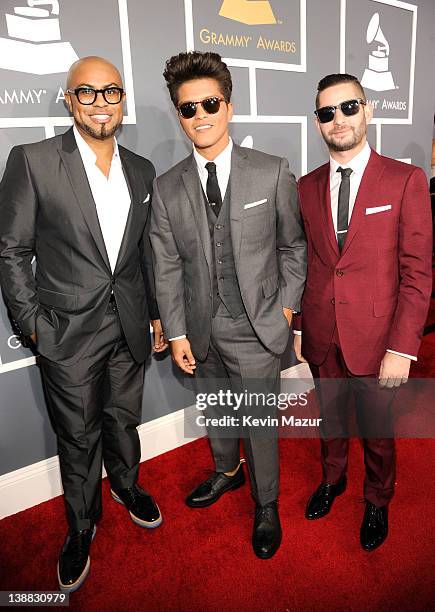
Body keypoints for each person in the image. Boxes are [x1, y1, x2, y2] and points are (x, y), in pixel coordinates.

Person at [0, 56, 167, 592]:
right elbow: (11, 250)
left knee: (123, 418)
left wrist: (158, 313)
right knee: (77, 435)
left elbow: (145, 253)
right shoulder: (33, 160)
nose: (101, 102)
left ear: (123, 100)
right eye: (87, 93)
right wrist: (32, 325)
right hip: (65, 333)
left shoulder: (142, 169)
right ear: (69, 101)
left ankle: (126, 485)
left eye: (111, 92)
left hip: (130, 327)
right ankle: (80, 526)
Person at [150, 51, 306, 559]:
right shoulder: (167, 185)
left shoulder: (271, 171)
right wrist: (175, 332)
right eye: (188, 108)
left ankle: (266, 503)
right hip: (199, 328)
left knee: (259, 423)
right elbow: (167, 265)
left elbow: (293, 247)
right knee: (216, 409)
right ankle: (226, 472)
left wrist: (285, 309)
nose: (200, 116)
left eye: (209, 103)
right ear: (179, 115)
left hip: (257, 326)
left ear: (229, 107)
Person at [293, 73, 432, 551]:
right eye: (328, 113)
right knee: (329, 420)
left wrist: (402, 348)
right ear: (318, 124)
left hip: (378, 339)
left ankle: (378, 498)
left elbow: (417, 274)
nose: (339, 120)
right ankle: (333, 481)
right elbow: (307, 261)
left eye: (348, 107)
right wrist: (298, 324)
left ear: (368, 110)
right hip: (322, 334)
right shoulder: (304, 186)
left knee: (376, 431)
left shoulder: (405, 179)